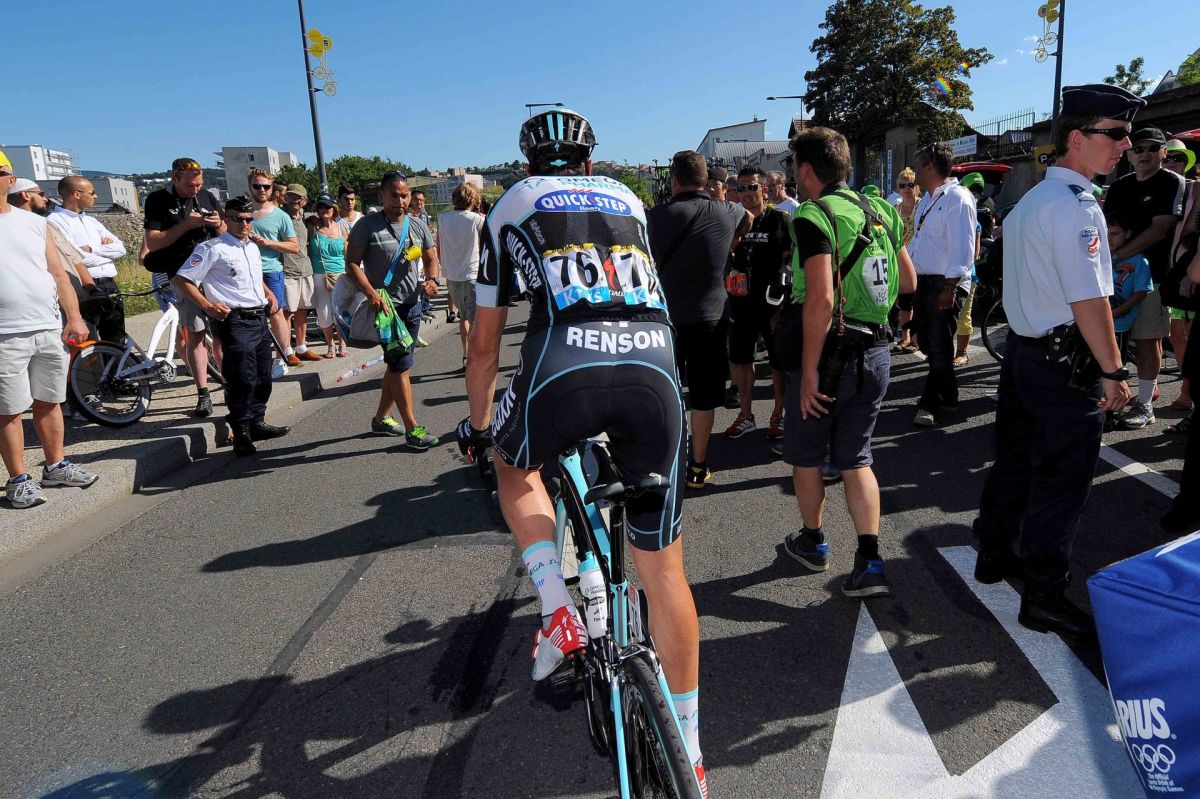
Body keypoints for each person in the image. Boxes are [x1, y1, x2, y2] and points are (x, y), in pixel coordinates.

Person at [456, 108, 708, 795]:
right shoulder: (626, 196)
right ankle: (692, 751)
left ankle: (555, 606)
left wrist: (479, 426)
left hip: (565, 361)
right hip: (654, 364)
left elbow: (484, 347)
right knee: (666, 574)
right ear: (591, 161)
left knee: (514, 465)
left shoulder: (511, 202)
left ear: (529, 163)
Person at [973, 84, 1139, 640]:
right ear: (1077, 138)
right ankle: (1043, 593)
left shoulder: (1031, 203)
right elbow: (1089, 300)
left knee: (1015, 461)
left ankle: (994, 551)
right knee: (1063, 479)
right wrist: (1114, 372)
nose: (1125, 144)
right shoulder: (1076, 208)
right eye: (1115, 134)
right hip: (1061, 361)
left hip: (1025, 353)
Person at [777, 127, 917, 597]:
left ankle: (813, 541)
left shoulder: (814, 214)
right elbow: (908, 281)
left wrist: (809, 372)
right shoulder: (880, 210)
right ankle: (870, 560)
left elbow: (820, 299)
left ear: (806, 170)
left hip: (828, 351)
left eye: (794, 167)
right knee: (857, 458)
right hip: (875, 350)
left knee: (807, 455)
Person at [648, 150, 752, 488]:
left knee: (665, 392)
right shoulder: (727, 211)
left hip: (665, 319)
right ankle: (697, 465)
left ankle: (663, 463)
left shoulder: (653, 217)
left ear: (674, 179)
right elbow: (749, 219)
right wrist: (728, 245)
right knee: (704, 397)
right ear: (706, 180)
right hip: (710, 318)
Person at [0, 150, 97, 509]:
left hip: (46, 324)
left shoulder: (35, 223)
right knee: (8, 408)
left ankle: (55, 465)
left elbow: (58, 274)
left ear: (11, 180)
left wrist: (74, 317)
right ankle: (18, 479)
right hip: (5, 332)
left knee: (50, 400)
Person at [173, 196, 290, 456]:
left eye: (248, 219)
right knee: (241, 379)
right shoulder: (212, 248)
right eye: (238, 219)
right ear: (226, 219)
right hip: (235, 320)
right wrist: (207, 306)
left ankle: (256, 422)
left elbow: (253, 277)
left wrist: (268, 293)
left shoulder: (251, 247)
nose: (244, 224)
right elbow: (183, 280)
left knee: (263, 377)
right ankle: (241, 432)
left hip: (259, 318)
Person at [344, 171, 441, 448]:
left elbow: (431, 257)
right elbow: (352, 263)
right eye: (394, 195)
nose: (400, 201)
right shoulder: (367, 225)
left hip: (412, 306)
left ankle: (381, 419)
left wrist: (432, 280)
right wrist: (371, 293)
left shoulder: (417, 225)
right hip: (386, 309)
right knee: (400, 365)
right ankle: (412, 428)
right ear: (382, 196)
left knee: (397, 364)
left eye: (404, 195)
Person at [1104, 127, 1186, 429]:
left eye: (1153, 148)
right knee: (1109, 337)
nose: (1145, 154)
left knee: (1147, 339)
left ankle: (1145, 404)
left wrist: (1117, 256)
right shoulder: (1119, 186)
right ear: (1128, 154)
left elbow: (1161, 228)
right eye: (1138, 149)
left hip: (1153, 276)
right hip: (1113, 277)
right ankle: (1111, 397)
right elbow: (1106, 227)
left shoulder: (1171, 182)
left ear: (1164, 152)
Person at [143, 157, 224, 417]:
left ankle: (230, 385)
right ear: (175, 179)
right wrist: (186, 225)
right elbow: (153, 243)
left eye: (199, 184)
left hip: (214, 273)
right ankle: (203, 393)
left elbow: (226, 234)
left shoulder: (207, 197)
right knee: (196, 333)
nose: (196, 190)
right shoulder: (157, 200)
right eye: (190, 185)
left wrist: (218, 224)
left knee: (222, 334)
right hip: (183, 275)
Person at [907, 143, 976, 427]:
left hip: (945, 282)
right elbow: (919, 240)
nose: (914, 172)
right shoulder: (928, 199)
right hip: (925, 281)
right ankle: (949, 395)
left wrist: (950, 288)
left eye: (918, 166)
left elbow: (964, 248)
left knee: (937, 345)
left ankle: (930, 402)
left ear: (931, 167)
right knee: (927, 342)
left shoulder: (958, 198)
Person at [724, 166, 791, 444]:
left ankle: (779, 413)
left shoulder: (779, 219)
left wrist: (781, 302)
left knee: (777, 361)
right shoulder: (734, 220)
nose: (747, 193)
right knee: (741, 359)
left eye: (752, 187)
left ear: (764, 190)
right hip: (741, 301)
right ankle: (746, 414)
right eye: (741, 188)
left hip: (772, 303)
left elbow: (788, 260)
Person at [48, 176, 129, 344]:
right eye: (92, 192)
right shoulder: (54, 221)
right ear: (76, 194)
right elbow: (74, 259)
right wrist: (106, 255)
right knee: (88, 338)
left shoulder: (92, 221)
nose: (96, 196)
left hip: (109, 283)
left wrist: (93, 248)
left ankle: (116, 362)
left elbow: (121, 249)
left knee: (117, 337)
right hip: (83, 285)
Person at [247, 169, 301, 367]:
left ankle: (284, 354)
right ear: (250, 187)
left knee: (276, 311)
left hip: (270, 270)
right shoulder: (242, 213)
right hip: (245, 272)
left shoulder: (280, 216)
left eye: (266, 186)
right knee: (249, 316)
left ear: (272, 188)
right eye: (257, 186)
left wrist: (268, 243)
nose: (261, 190)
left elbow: (294, 246)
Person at [1164, 138, 1197, 414]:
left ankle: (1188, 392)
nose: (1173, 162)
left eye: (1179, 158)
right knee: (1176, 336)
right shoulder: (1159, 190)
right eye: (1169, 157)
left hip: (1189, 272)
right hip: (1167, 271)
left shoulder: (1196, 189)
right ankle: (1186, 391)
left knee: (1190, 334)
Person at [436, 181, 484, 368]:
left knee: (463, 317)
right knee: (475, 320)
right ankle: (474, 357)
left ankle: (466, 355)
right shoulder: (477, 220)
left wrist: (445, 266)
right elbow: (485, 248)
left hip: (451, 275)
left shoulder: (442, 218)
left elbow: (438, 247)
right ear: (473, 198)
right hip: (472, 274)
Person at [952, 171, 991, 368]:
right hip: (947, 274)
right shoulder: (953, 215)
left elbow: (974, 253)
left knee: (963, 316)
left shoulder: (973, 220)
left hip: (966, 275)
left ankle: (962, 352)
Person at [280, 184, 322, 362]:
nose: (294, 200)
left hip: (305, 269)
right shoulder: (280, 216)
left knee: (302, 310)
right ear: (285, 198)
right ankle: (286, 350)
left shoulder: (307, 218)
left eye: (298, 197)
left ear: (305, 200)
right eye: (291, 196)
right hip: (287, 270)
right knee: (286, 313)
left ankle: (301, 347)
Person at [309, 193, 348, 357]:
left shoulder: (341, 227)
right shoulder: (312, 226)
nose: (324, 209)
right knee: (323, 312)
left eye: (327, 206)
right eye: (321, 206)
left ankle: (342, 344)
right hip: (320, 275)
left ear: (334, 208)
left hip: (340, 274)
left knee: (339, 311)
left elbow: (347, 252)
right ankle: (330, 345)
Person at [891, 167, 921, 355]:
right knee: (904, 302)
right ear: (898, 188)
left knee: (917, 301)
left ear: (917, 186)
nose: (907, 188)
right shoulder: (896, 209)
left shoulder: (923, 206)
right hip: (902, 260)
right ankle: (905, 336)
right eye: (903, 185)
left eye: (911, 184)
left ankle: (916, 339)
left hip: (920, 260)